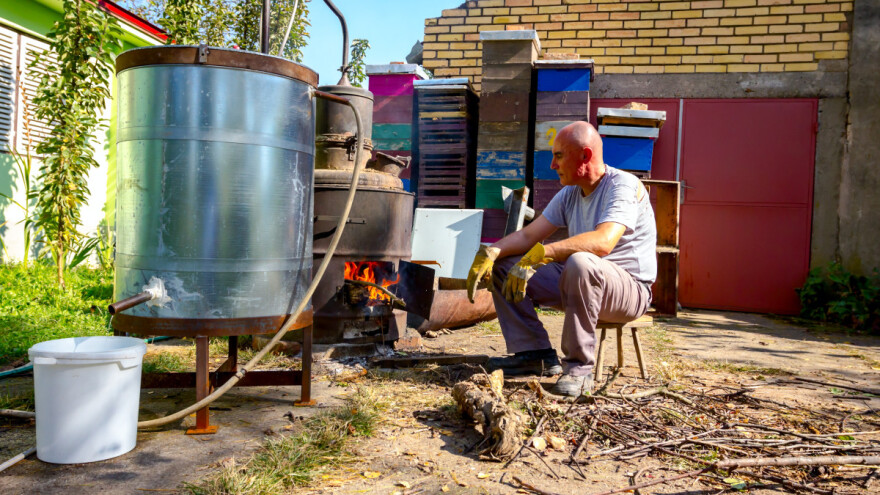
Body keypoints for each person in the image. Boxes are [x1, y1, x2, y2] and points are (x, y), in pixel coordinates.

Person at [466, 121, 657, 397]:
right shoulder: (570, 193)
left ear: (585, 156)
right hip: (582, 282)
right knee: (506, 265)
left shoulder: (623, 186)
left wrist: (545, 253)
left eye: (558, 155)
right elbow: (528, 235)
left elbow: (603, 242)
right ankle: (535, 355)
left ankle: (579, 369)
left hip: (629, 291)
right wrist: (492, 252)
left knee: (581, 262)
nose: (553, 165)